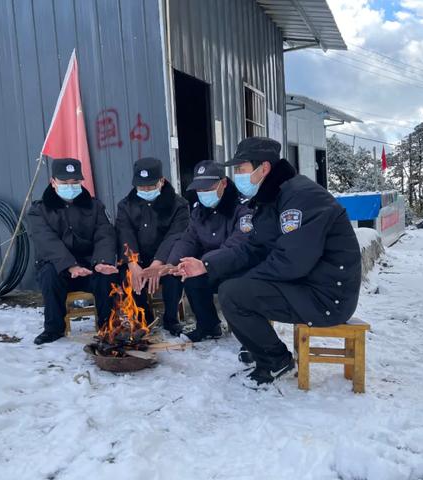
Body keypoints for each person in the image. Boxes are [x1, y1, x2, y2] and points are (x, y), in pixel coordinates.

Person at [176, 138, 362, 387]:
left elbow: (292, 262)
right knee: (231, 284)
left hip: (327, 296)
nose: (237, 176)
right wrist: (207, 265)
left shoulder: (301, 198)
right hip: (307, 285)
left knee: (234, 292)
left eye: (241, 169)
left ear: (263, 168)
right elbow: (252, 247)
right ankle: (264, 354)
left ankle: (276, 361)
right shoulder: (272, 198)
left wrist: (245, 280)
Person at [27, 158, 119, 345]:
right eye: (65, 183)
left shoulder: (95, 206)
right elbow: (47, 241)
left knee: (106, 275)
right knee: (49, 274)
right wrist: (70, 266)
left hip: (89, 265)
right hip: (59, 266)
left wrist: (101, 261)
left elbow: (105, 234)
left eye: (75, 182)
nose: (71, 186)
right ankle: (53, 329)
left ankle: (108, 327)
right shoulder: (39, 210)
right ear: (53, 182)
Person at [165, 160, 252, 342]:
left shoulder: (243, 208)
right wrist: (173, 263)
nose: (203, 194)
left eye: (208, 188)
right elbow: (189, 239)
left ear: (224, 183)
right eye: (200, 190)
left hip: (237, 265)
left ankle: (249, 337)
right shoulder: (199, 210)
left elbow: (237, 245)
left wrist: (204, 263)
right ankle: (208, 326)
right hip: (208, 266)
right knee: (190, 276)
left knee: (235, 286)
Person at [115, 157, 189, 335]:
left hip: (166, 259)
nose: (146, 190)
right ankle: (143, 317)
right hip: (137, 259)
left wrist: (159, 263)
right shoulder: (125, 205)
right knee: (127, 275)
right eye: (141, 187)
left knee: (173, 274)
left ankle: (171, 319)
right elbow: (125, 233)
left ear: (161, 181)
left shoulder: (179, 205)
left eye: (150, 186)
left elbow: (175, 235)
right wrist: (133, 263)